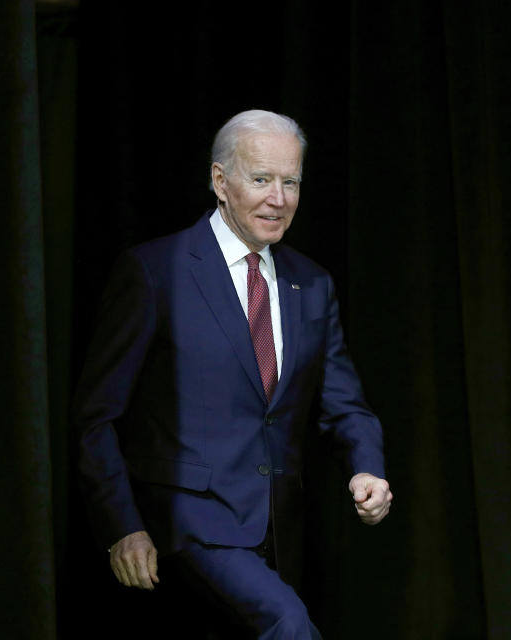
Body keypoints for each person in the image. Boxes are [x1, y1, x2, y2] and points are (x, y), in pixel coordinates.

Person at [72, 109, 392, 638]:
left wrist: (366, 468)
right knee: (289, 625)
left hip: (281, 531)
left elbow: (344, 404)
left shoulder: (310, 283)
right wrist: (122, 527)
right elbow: (96, 416)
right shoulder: (158, 272)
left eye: (291, 182)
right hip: (189, 524)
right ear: (220, 182)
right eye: (261, 179)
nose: (279, 197)